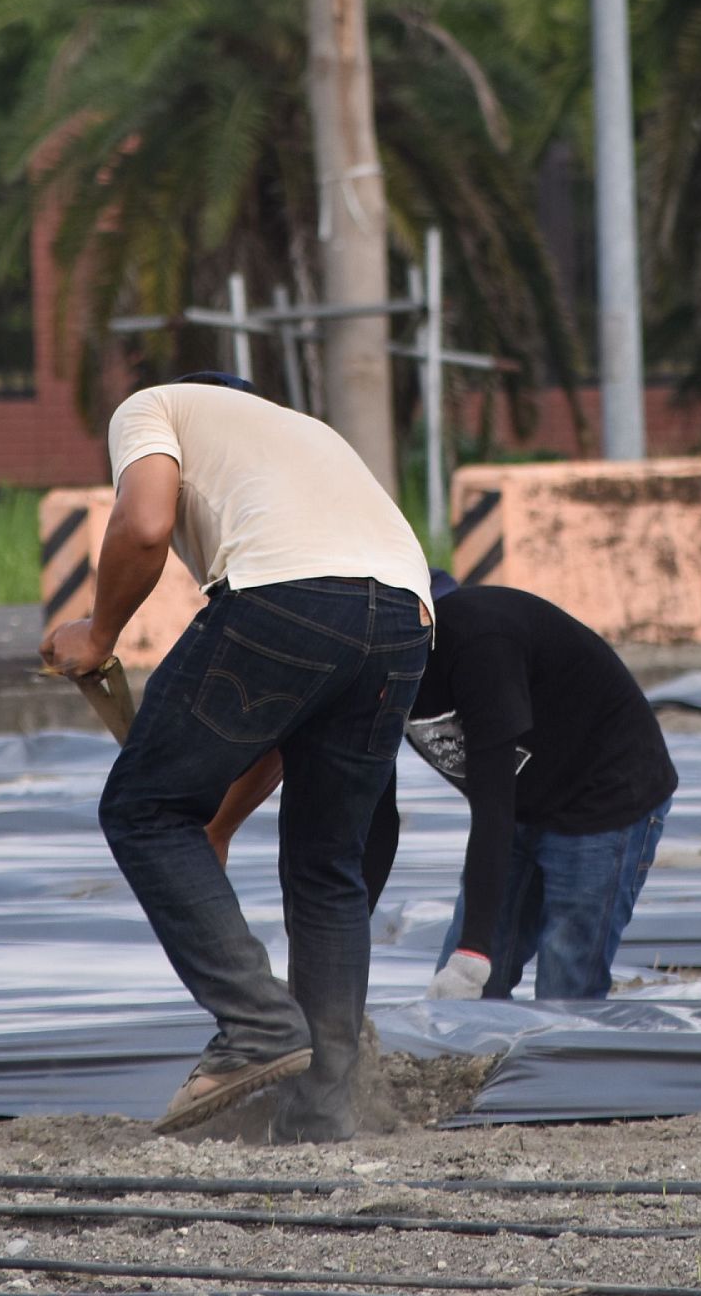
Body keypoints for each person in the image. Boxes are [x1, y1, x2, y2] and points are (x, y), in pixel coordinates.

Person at [40, 372, 432, 1141]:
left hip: (284, 594)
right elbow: (291, 718)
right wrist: (217, 820)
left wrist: (100, 633)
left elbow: (145, 525)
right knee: (327, 864)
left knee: (143, 809)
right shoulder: (305, 437)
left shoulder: (154, 406)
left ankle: (257, 1025)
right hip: (406, 616)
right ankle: (323, 1109)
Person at [363, 582, 677, 1002]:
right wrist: (342, 934)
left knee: (567, 982)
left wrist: (473, 952)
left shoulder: (480, 644)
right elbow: (375, 815)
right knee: (461, 1000)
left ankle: (568, 1062)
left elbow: (492, 807)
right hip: (521, 800)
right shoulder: (367, 671)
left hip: (605, 795)